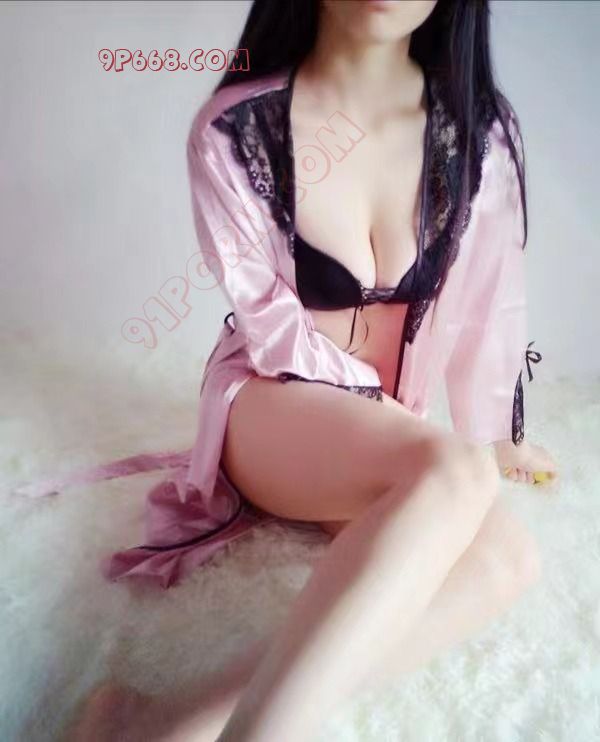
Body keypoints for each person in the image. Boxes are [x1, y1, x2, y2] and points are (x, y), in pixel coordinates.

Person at [62, 0, 559, 739]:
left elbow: (493, 300)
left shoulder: (479, 130)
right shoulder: (236, 129)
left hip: (384, 438)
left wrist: (502, 434)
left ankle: (157, 723)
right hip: (271, 404)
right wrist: (389, 417)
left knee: (506, 559)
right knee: (451, 471)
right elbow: (269, 325)